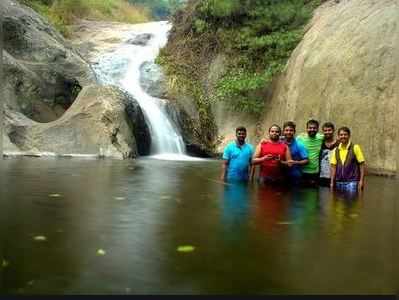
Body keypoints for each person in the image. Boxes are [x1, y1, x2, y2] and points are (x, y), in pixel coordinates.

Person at [330, 126, 366, 193]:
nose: (343, 136)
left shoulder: (355, 148)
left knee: (351, 202)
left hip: (352, 182)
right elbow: (333, 167)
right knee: (339, 202)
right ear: (338, 136)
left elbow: (362, 165)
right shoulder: (336, 150)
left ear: (349, 136)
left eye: (345, 134)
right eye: (341, 135)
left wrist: (361, 181)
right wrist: (332, 183)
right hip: (339, 182)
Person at [297, 119, 324, 186]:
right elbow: (288, 141)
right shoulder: (300, 138)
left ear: (317, 129)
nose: (312, 129)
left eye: (314, 128)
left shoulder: (321, 138)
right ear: (306, 129)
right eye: (310, 128)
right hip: (302, 172)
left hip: (315, 173)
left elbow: (331, 140)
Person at [281, 121, 309, 185]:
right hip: (280, 176)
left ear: (294, 132)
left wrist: (296, 162)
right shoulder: (279, 143)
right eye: (286, 130)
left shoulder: (299, 145)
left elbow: (306, 160)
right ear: (283, 131)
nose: (288, 132)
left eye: (291, 130)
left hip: (295, 177)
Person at [319, 122, 339, 187]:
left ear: (333, 130)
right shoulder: (320, 142)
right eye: (325, 130)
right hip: (322, 176)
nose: (327, 132)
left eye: (329, 130)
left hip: (335, 176)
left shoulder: (339, 144)